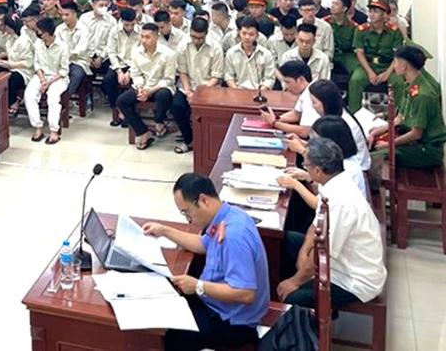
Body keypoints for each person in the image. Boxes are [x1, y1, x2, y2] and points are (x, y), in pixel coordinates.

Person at [144, 173, 267, 351]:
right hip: (216, 304)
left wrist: (198, 286)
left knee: (169, 334)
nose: (188, 219)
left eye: (187, 212)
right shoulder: (226, 215)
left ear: (203, 200)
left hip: (232, 321)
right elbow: (203, 244)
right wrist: (164, 231)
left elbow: (246, 294)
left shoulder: (234, 236)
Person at [278, 137, 386, 309]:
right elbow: (315, 226)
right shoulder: (334, 182)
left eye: (306, 165)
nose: (305, 169)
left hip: (354, 280)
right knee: (286, 240)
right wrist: (303, 252)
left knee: (293, 297)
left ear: (318, 170)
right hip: (338, 259)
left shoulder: (341, 203)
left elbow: (323, 251)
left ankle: (307, 319)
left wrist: (295, 281)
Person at [280, 116, 369, 233]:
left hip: (336, 227)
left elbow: (319, 204)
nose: (313, 142)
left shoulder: (345, 168)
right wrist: (307, 176)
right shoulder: (343, 160)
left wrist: (296, 185)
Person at [369, 45, 445, 168]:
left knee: (376, 157)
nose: (394, 66)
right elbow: (399, 118)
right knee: (374, 143)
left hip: (427, 150)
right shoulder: (410, 85)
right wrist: (376, 132)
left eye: (395, 63)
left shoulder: (422, 95)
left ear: (403, 66)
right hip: (416, 142)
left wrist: (389, 145)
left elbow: (416, 133)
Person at [117, 23, 176, 150]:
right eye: (142, 36)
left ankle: (159, 121)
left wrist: (150, 91)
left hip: (159, 87)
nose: (144, 40)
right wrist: (140, 88)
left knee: (163, 95)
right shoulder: (136, 52)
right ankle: (143, 131)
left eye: (148, 37)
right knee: (122, 101)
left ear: (157, 37)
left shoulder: (168, 54)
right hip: (143, 86)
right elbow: (136, 74)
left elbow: (169, 79)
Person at [172, 18, 223, 154]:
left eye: (200, 38)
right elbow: (182, 71)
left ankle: (209, 142)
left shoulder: (216, 48)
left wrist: (199, 93)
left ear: (206, 33)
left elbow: (216, 76)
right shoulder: (183, 45)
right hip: (188, 86)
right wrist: (188, 91)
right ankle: (189, 140)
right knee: (177, 106)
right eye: (193, 36)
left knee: (211, 110)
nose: (196, 40)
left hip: (209, 88)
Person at [348, 0, 405, 113]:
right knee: (355, 80)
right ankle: (355, 114)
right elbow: (360, 53)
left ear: (384, 14)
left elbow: (397, 56)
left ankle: (398, 116)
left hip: (388, 66)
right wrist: (370, 73)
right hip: (367, 65)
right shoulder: (361, 30)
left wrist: (387, 73)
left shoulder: (394, 31)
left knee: (399, 82)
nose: (371, 14)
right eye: (370, 11)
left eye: (376, 11)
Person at [26, 18, 68, 145]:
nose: (38, 34)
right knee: (29, 95)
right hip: (41, 76)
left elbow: (64, 70)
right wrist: (43, 80)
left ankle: (54, 131)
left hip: (58, 78)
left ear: (47, 32)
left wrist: (49, 83)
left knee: (53, 97)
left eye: (40, 31)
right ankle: (38, 127)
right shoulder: (38, 44)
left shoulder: (63, 46)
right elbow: (37, 64)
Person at [0, 14, 35, 117]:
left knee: (10, 78)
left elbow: (28, 63)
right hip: (11, 67)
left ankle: (13, 102)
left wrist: (10, 65)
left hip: (24, 72)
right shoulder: (9, 38)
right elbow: (12, 54)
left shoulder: (24, 40)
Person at [102, 8, 141, 127]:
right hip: (118, 64)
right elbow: (111, 52)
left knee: (136, 84)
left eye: (132, 24)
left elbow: (140, 54)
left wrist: (129, 71)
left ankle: (130, 114)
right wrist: (119, 71)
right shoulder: (114, 31)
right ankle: (119, 110)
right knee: (107, 81)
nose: (129, 27)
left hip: (135, 65)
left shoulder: (140, 31)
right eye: (126, 25)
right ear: (121, 21)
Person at [224, 17, 275, 90]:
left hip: (259, 92)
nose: (247, 37)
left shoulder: (266, 54)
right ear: (239, 33)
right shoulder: (231, 53)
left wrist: (260, 92)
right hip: (237, 90)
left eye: (251, 34)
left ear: (257, 35)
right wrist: (236, 90)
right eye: (244, 33)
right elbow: (229, 76)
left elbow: (269, 79)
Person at [57, 2, 92, 97]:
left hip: (78, 61)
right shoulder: (59, 29)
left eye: (67, 15)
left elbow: (81, 48)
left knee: (76, 75)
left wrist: (67, 55)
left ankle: (65, 97)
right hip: (60, 62)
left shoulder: (84, 30)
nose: (64, 18)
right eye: (62, 15)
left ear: (74, 14)